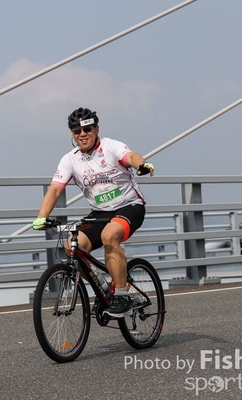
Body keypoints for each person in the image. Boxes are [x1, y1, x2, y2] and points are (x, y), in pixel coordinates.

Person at [32, 107, 154, 317]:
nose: (82, 134)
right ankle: (104, 288)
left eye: (87, 129)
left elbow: (130, 156)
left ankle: (122, 296)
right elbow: (55, 189)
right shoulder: (70, 159)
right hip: (100, 213)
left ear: (96, 129)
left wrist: (141, 165)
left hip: (130, 206)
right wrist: (41, 217)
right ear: (72, 134)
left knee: (109, 236)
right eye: (77, 131)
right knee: (71, 247)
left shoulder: (110, 146)